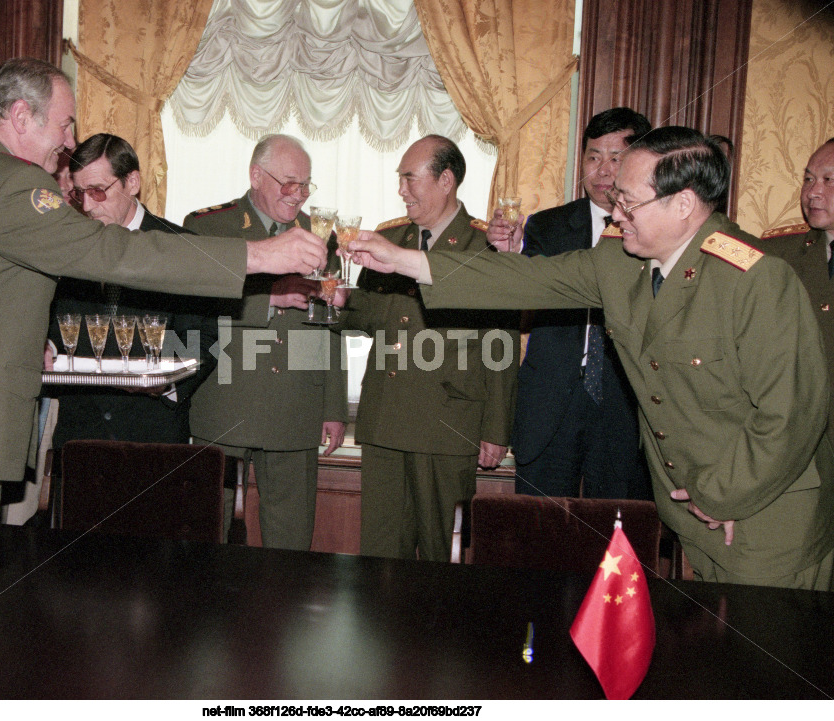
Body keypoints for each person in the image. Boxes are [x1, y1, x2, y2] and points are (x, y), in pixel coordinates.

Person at [349, 126, 834, 589]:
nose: (615, 211)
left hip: (761, 517)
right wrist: (405, 261)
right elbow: (529, 279)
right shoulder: (622, 261)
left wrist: (724, 495)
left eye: (628, 201)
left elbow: (792, 414)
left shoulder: (754, 279)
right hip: (694, 515)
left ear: (683, 203)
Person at [0, 57, 326, 523]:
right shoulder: (13, 184)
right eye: (64, 125)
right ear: (22, 116)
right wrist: (259, 256)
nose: (68, 142)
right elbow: (112, 253)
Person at [343, 135, 519, 562]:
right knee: (380, 552)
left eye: (409, 178)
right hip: (384, 419)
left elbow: (501, 341)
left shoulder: (485, 245)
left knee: (445, 552)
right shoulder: (388, 237)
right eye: (400, 178)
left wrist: (496, 429)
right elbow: (365, 320)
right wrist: (339, 297)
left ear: (446, 180)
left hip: (449, 423)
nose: (401, 189)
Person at [182, 134, 347, 551]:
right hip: (224, 404)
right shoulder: (208, 226)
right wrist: (266, 299)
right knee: (206, 534)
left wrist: (332, 407)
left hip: (296, 409)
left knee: (291, 545)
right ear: (256, 175)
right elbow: (190, 307)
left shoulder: (320, 234)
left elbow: (328, 328)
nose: (299, 195)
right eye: (289, 182)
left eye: (306, 185)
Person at [498, 108, 652, 500]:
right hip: (551, 404)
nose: (602, 170)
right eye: (593, 156)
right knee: (539, 532)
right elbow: (521, 291)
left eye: (616, 158)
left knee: (617, 538)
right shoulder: (547, 226)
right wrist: (512, 255)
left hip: (625, 404)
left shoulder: (657, 233)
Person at [48, 133, 218, 447]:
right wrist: (47, 347)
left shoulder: (180, 246)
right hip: (78, 437)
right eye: (79, 193)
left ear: (133, 182)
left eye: (98, 191)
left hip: (152, 434)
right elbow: (53, 326)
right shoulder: (68, 245)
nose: (87, 206)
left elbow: (203, 337)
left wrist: (165, 386)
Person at [757, 138, 834, 440]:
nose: (813, 192)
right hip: (794, 434)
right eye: (808, 179)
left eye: (829, 180)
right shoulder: (777, 254)